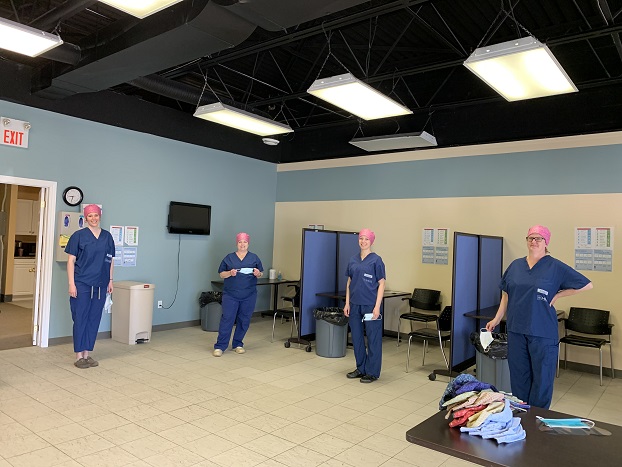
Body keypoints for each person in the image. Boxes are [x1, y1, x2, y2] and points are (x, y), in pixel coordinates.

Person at [486, 225, 592, 408]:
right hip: (516, 329)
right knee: (519, 376)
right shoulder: (515, 266)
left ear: (546, 242)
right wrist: (496, 319)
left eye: (538, 239)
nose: (534, 242)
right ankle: (522, 413)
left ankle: (538, 418)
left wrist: (558, 295)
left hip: (542, 331)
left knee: (542, 378)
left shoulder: (555, 266)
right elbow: (506, 294)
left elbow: (586, 285)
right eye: (530, 238)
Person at [66, 204, 115, 369]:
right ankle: (79, 355)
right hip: (82, 283)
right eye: (90, 216)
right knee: (80, 318)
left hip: (101, 284)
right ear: (85, 218)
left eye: (96, 215)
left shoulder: (107, 237)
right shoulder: (78, 236)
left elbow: (110, 260)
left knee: (94, 318)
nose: (93, 218)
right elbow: (71, 261)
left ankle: (87, 354)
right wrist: (72, 284)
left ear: (100, 216)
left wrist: (110, 280)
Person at [344, 229, 386, 383]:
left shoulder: (376, 260)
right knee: (356, 337)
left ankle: (372, 372)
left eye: (366, 239)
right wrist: (347, 303)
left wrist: (377, 307)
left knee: (373, 338)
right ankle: (361, 368)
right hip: (354, 304)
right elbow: (349, 282)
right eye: (361, 238)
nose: (363, 241)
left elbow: (381, 283)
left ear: (371, 241)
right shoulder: (353, 260)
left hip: (370, 305)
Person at [214, 232, 264, 356]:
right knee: (227, 319)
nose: (242, 244)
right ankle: (220, 346)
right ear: (237, 243)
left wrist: (258, 273)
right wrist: (230, 273)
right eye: (240, 242)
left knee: (244, 320)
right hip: (231, 294)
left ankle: (238, 344)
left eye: (245, 242)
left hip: (249, 294)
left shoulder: (254, 258)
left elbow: (260, 273)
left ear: (248, 243)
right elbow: (221, 274)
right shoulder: (229, 258)